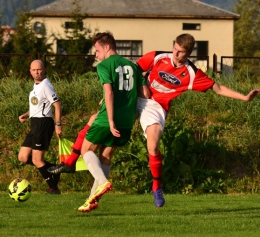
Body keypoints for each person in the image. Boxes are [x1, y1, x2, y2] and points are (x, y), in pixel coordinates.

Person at [135, 33, 260, 207]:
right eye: (175, 50)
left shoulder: (192, 73)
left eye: (181, 53)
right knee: (103, 117)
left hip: (155, 106)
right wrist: (141, 84)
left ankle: (156, 186)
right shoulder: (157, 56)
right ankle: (83, 154)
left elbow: (219, 88)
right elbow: (133, 69)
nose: (176, 55)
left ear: (189, 54)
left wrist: (245, 98)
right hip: (135, 94)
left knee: (153, 146)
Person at [75, 31, 148, 212]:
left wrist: (110, 119)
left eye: (98, 51)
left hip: (109, 119)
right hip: (127, 120)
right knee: (106, 155)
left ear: (107, 47)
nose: (96, 55)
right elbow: (145, 94)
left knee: (86, 149)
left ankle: (102, 181)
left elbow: (109, 92)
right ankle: (91, 200)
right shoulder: (133, 66)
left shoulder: (104, 66)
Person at [18, 59, 62, 194]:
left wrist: (58, 124)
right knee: (23, 157)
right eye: (34, 70)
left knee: (37, 160)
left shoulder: (46, 85)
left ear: (44, 70)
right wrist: (26, 114)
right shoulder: (36, 86)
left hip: (43, 124)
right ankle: (54, 168)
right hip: (35, 123)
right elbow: (37, 106)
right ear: (30, 72)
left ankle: (53, 188)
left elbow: (57, 105)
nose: (37, 72)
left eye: (39, 69)